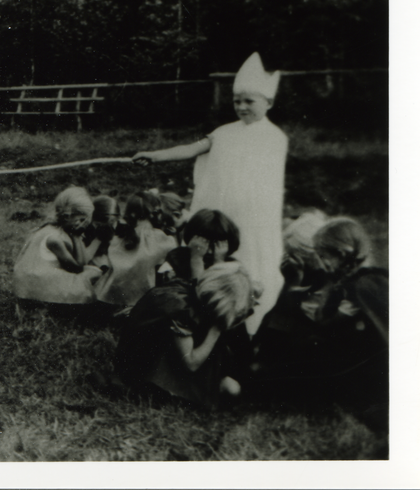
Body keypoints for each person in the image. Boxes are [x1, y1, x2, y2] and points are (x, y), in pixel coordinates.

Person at [133, 52, 287, 334]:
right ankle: (205, 303)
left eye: (249, 101)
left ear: (269, 102)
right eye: (237, 101)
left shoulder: (275, 138)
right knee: (212, 251)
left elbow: (266, 183)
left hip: (253, 216)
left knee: (248, 256)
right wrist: (156, 156)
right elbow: (192, 149)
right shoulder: (224, 132)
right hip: (222, 209)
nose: (241, 107)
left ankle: (246, 314)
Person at [251, 217, 388, 432]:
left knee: (270, 380)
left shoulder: (365, 283)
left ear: (340, 254)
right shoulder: (339, 282)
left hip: (353, 375)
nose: (322, 265)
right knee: (266, 375)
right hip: (337, 364)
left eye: (323, 258)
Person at [115, 262, 260, 409]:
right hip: (145, 371)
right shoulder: (182, 309)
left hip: (156, 357)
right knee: (231, 389)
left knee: (231, 386)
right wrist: (216, 331)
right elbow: (191, 363)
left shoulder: (186, 290)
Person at [12, 187, 105, 307]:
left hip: (26, 290)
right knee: (94, 273)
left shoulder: (47, 229)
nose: (83, 224)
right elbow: (78, 267)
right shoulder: (55, 239)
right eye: (81, 219)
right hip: (37, 292)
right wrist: (76, 238)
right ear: (67, 216)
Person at [91, 191, 179, 312]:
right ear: (156, 213)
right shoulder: (162, 239)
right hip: (145, 298)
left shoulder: (121, 236)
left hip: (111, 297)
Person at [160, 208, 241, 284]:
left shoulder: (232, 266)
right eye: (204, 243)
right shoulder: (177, 258)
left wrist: (219, 262)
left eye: (216, 245)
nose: (209, 251)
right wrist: (196, 259)